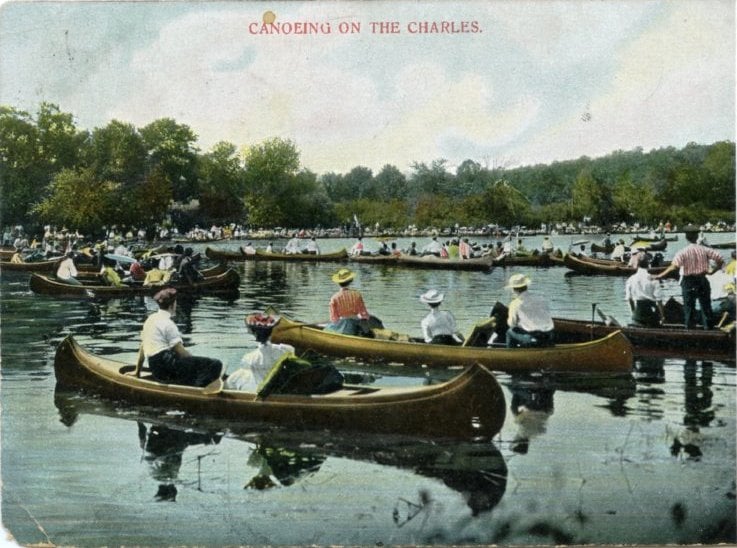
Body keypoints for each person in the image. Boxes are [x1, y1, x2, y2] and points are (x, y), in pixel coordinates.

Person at [135, 288, 222, 387]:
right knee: (215, 364)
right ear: (173, 305)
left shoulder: (150, 319)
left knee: (191, 364)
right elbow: (181, 352)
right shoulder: (168, 324)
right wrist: (196, 363)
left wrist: (137, 371)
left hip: (155, 368)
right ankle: (198, 390)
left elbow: (142, 346)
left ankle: (189, 382)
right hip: (167, 366)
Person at [653, 225, 725, 329]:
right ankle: (708, 330)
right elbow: (720, 259)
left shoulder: (683, 252)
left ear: (686, 237)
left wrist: (659, 275)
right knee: (706, 308)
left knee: (689, 308)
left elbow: (674, 266)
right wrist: (712, 271)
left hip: (688, 281)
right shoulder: (705, 250)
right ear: (697, 237)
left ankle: (690, 330)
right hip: (702, 279)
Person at [224, 313, 295, 392]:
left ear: (253, 333)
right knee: (240, 374)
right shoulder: (286, 349)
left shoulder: (249, 358)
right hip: (278, 387)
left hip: (259, 388)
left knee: (238, 376)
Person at [504, 273, 554, 348]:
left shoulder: (515, 303)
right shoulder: (541, 298)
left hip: (533, 339)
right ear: (526, 286)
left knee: (510, 332)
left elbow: (512, 324)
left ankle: (511, 355)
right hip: (550, 336)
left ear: (514, 290)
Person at [324, 268, 371, 335]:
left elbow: (334, 318)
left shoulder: (334, 297)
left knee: (328, 329)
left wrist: (335, 325)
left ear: (338, 282)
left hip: (342, 323)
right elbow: (364, 314)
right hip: (355, 322)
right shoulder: (357, 295)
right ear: (350, 281)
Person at [625, 255, 665, 327]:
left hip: (637, 315)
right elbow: (659, 300)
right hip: (650, 314)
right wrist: (662, 317)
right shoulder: (654, 279)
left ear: (637, 265)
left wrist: (633, 313)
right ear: (648, 265)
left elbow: (629, 299)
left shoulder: (630, 279)